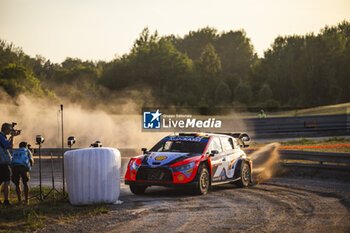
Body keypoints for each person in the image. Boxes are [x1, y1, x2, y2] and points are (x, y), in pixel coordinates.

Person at [0, 123, 16, 205]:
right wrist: (12, 137)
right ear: (5, 129)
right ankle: (6, 201)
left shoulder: (2, 137)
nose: (10, 131)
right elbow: (10, 146)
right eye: (9, 130)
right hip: (2, 163)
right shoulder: (1, 137)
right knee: (7, 181)